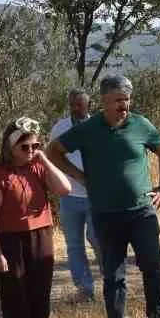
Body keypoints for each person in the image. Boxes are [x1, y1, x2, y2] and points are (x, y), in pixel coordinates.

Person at [47, 75, 160, 318]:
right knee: (113, 275)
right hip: (105, 214)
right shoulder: (89, 129)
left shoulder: (141, 124)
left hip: (142, 212)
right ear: (103, 101)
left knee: (152, 266)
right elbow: (54, 151)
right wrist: (81, 178)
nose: (123, 105)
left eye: (127, 99)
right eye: (117, 100)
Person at [0, 117, 73, 318]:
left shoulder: (38, 167)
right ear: (9, 147)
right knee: (15, 297)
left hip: (40, 237)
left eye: (35, 146)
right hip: (10, 241)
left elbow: (65, 188)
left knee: (39, 296)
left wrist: (44, 159)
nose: (30, 152)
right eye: (25, 147)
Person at [49, 88, 107, 302]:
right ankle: (84, 290)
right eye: (72, 104)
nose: (75, 108)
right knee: (74, 245)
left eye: (79, 104)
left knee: (97, 239)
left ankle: (109, 279)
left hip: (95, 196)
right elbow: (51, 156)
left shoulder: (99, 126)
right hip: (69, 195)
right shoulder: (60, 127)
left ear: (88, 106)